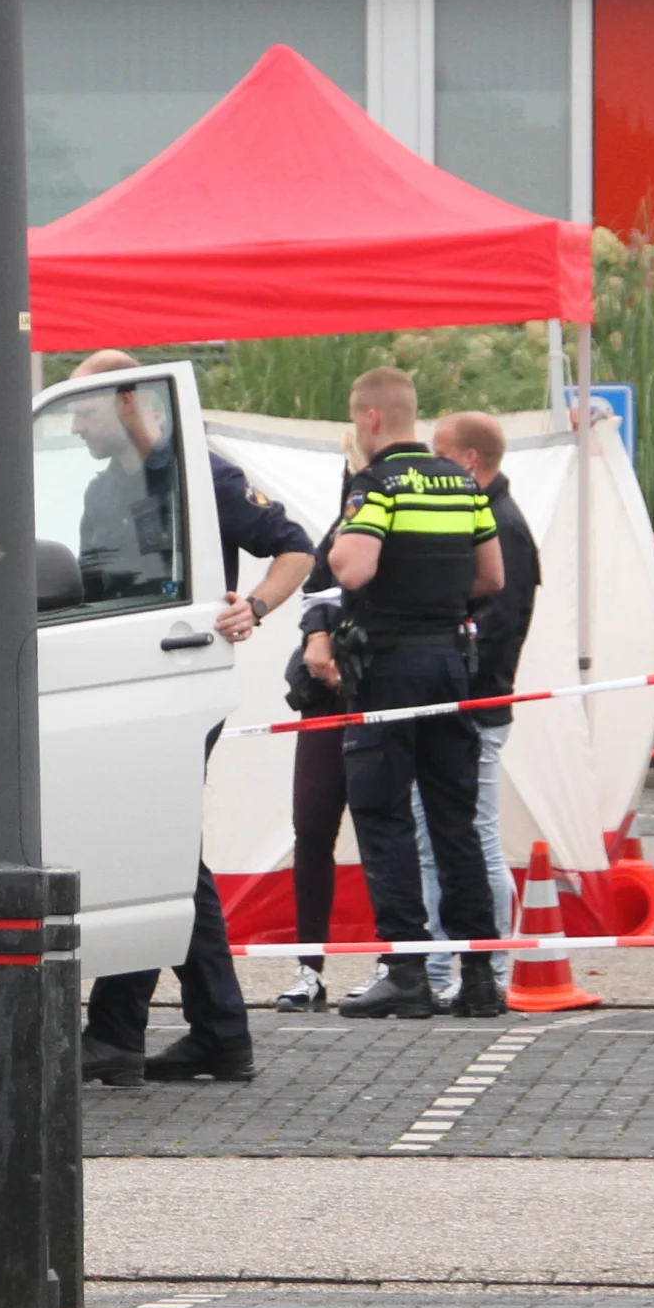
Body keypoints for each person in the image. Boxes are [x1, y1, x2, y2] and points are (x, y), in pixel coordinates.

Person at [66, 352, 313, 1088]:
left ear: (129, 402)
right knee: (161, 848)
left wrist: (255, 606)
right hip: (123, 685)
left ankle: (136, 1032)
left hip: (173, 686)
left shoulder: (201, 475)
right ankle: (204, 1032)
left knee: (157, 845)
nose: (75, 424)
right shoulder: (101, 489)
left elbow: (296, 548)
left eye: (84, 409)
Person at [327, 366, 504, 1020]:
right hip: (450, 665)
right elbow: (492, 576)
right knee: (454, 820)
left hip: (387, 667)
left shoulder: (378, 484)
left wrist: (351, 539)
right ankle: (480, 975)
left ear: (370, 419)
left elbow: (353, 566)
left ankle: (405, 971)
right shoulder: (461, 482)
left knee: (384, 817)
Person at [428, 409, 542, 1010]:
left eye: (440, 454)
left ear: (469, 460)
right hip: (469, 699)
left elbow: (497, 626)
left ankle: (490, 965)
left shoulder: (503, 526)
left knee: (473, 836)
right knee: (452, 835)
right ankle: (448, 964)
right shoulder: (488, 517)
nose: (431, 465)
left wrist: (448, 670)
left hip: (477, 704)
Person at [275, 431, 374, 1016]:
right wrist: (317, 632)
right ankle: (308, 967)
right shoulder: (344, 520)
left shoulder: (401, 502)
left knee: (387, 829)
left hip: (381, 694)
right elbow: (319, 581)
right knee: (311, 828)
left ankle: (400, 960)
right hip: (325, 702)